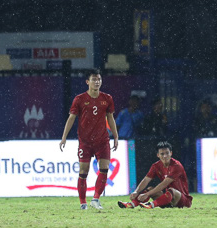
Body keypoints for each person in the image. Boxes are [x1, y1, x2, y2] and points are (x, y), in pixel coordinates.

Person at [59, 68, 119, 210]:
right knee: (83, 172)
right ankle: (82, 203)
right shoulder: (79, 99)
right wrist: (64, 137)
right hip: (85, 142)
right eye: (94, 79)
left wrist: (115, 136)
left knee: (104, 170)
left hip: (102, 141)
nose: (97, 82)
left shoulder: (107, 98)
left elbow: (110, 118)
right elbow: (71, 118)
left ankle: (96, 199)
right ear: (87, 82)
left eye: (99, 79)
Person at [119, 141, 191, 209]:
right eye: (162, 154)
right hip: (168, 200)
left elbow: (164, 184)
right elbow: (146, 179)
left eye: (167, 153)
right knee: (150, 189)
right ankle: (132, 204)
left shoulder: (176, 166)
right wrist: (136, 191)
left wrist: (147, 194)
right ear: (158, 155)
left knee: (171, 190)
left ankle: (152, 204)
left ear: (171, 153)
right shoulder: (156, 166)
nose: (165, 156)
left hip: (183, 201)